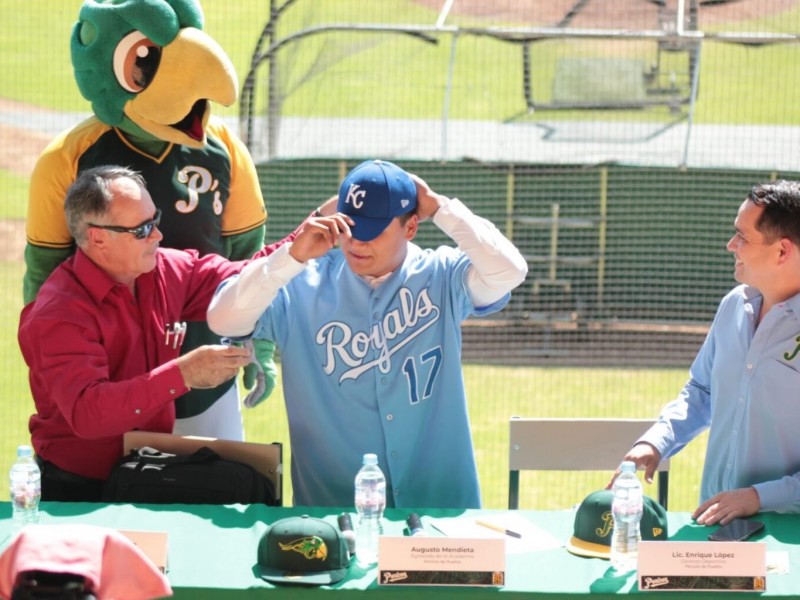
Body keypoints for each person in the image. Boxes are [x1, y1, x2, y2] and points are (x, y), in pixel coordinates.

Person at [208, 159, 528, 509]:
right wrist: (290, 256)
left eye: (373, 229)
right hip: (332, 510)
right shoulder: (300, 281)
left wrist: (440, 208)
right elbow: (224, 320)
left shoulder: (443, 274)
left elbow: (509, 271)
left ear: (410, 228)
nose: (356, 241)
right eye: (349, 226)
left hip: (441, 510)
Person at [17, 166, 295, 502]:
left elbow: (240, 277)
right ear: (97, 237)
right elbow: (88, 413)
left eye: (155, 219)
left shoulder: (162, 269)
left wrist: (300, 247)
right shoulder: (59, 312)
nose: (158, 235)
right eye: (142, 229)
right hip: (76, 494)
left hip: (145, 474)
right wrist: (184, 373)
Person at [615, 180, 800, 525]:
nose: (731, 245)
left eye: (743, 237)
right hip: (715, 527)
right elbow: (702, 391)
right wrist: (657, 441)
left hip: (788, 536)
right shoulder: (733, 305)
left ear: (782, 251)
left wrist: (759, 497)